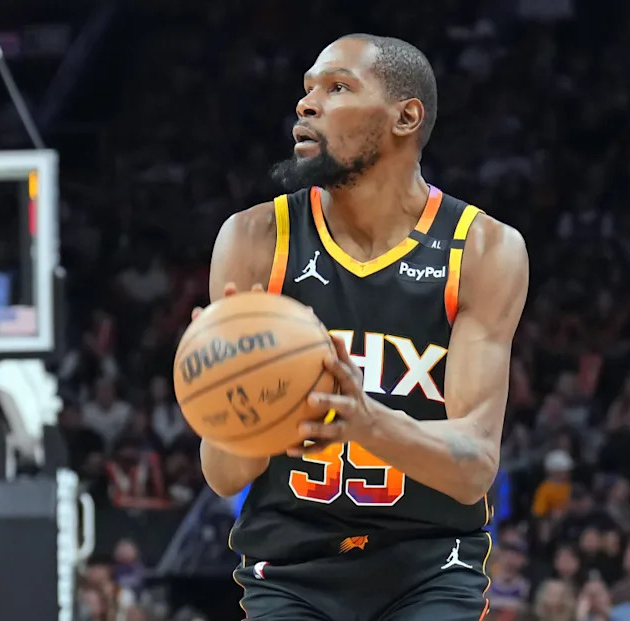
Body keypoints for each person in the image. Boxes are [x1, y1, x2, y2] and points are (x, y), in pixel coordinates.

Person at [194, 34, 528, 620]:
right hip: (290, 567)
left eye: (338, 87)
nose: (306, 103)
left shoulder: (481, 249)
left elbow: (474, 465)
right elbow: (222, 476)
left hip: (429, 564)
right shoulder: (253, 240)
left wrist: (362, 419)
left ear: (406, 116)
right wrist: (234, 404)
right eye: (307, 90)